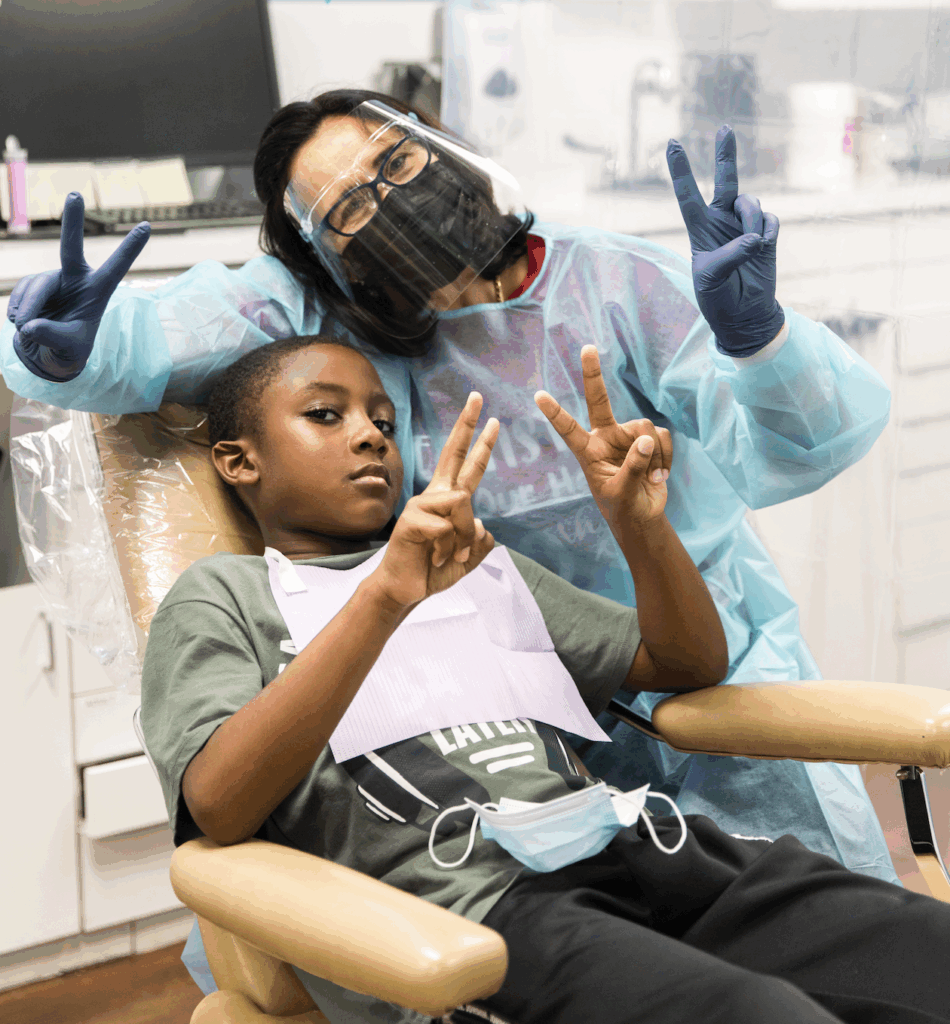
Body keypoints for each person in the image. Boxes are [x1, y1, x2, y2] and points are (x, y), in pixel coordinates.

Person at [1, 90, 896, 889]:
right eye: (351, 206)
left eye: (396, 161)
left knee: (820, 931)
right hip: (499, 728)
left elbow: (800, 448)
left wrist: (758, 338)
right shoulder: (327, 321)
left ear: (442, 143)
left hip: (697, 676)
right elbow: (158, 341)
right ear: (324, 261)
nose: (392, 200)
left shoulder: (616, 284)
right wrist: (65, 346)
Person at [141, 335, 950, 1024]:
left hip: (650, 853)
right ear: (237, 460)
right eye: (327, 415)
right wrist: (381, 597)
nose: (370, 437)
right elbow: (219, 801)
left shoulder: (475, 565)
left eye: (383, 422)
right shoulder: (222, 597)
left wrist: (640, 528)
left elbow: (685, 664)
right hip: (482, 914)